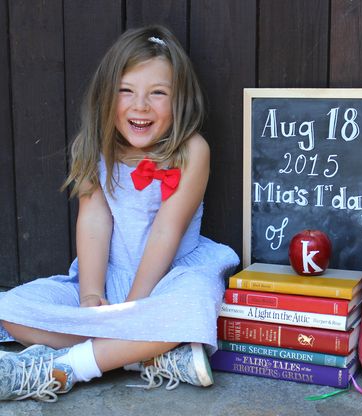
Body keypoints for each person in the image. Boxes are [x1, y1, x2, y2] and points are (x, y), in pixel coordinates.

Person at [0, 25, 239, 402]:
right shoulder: (97, 146)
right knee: (10, 309)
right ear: (105, 96)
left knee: (195, 307)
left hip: (167, 279)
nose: (140, 106)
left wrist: (135, 307)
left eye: (157, 94)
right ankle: (140, 356)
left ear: (180, 101)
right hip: (108, 278)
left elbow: (167, 230)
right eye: (125, 91)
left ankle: (66, 367)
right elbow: (94, 222)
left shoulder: (192, 150)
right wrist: (91, 296)